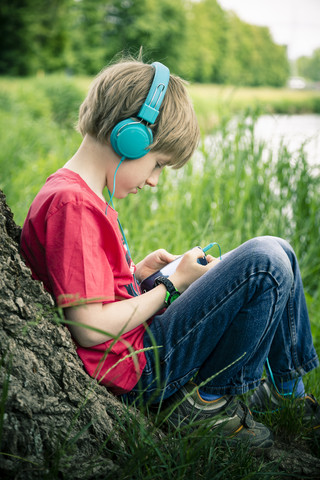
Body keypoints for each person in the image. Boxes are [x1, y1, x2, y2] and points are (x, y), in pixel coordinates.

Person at [20, 57, 319, 449]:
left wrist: (142, 275)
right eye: (158, 164)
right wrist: (171, 286)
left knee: (281, 250)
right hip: (136, 371)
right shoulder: (72, 206)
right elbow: (89, 326)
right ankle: (206, 407)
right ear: (128, 139)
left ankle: (287, 392)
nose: (155, 181)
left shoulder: (81, 197)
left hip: (140, 348)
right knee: (264, 262)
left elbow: (95, 292)